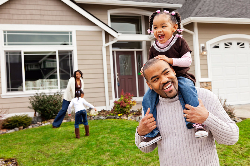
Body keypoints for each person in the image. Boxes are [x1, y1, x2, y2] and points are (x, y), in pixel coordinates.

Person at [135, 58, 239, 166]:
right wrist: (140, 133)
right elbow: (147, 149)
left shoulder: (204, 97)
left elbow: (232, 138)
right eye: (156, 79)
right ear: (149, 85)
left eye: (166, 73)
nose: (164, 80)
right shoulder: (151, 108)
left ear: (173, 71)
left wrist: (207, 118)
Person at [139, 10, 207, 148]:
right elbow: (151, 65)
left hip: (180, 76)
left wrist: (169, 60)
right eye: (155, 27)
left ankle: (197, 123)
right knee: (147, 98)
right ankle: (152, 132)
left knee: (187, 89)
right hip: (161, 82)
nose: (159, 30)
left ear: (174, 27)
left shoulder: (179, 42)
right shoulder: (153, 47)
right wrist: (144, 68)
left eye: (163, 26)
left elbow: (187, 61)